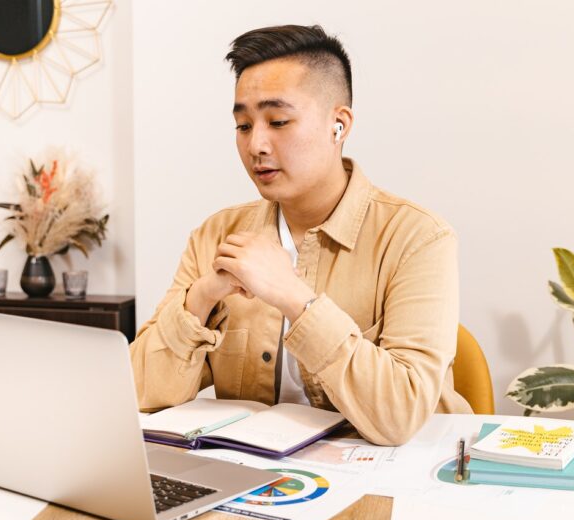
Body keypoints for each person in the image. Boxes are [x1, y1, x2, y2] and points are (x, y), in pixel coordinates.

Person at [130, 24, 472, 446]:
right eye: (242, 125)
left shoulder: (418, 237)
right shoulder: (215, 235)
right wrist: (200, 298)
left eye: (278, 121)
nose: (256, 144)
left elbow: (399, 417)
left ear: (339, 125)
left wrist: (294, 296)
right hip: (259, 484)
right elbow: (139, 392)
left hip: (398, 485)